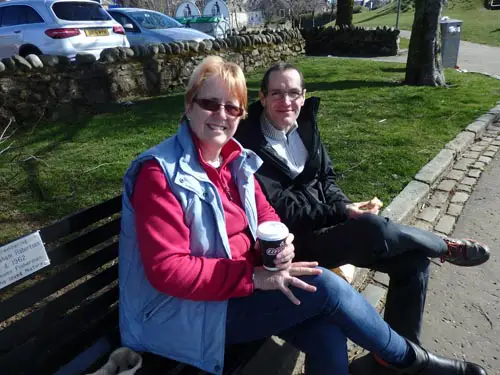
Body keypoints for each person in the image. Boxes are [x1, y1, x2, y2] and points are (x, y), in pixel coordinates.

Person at [118, 56, 487, 375]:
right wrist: (254, 275)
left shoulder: (232, 160)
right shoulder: (159, 174)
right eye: (210, 104)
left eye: (232, 108)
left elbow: (266, 212)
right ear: (188, 105)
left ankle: (402, 358)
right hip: (182, 313)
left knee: (327, 329)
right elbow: (168, 271)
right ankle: (411, 362)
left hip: (237, 287)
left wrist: (282, 248)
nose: (221, 116)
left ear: (241, 114)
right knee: (325, 285)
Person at [235, 62, 491, 371]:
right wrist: (343, 212)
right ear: (262, 97)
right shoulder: (249, 144)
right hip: (296, 243)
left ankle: (392, 363)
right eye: (276, 93)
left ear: (303, 96)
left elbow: (326, 179)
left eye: (293, 93)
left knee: (412, 263)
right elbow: (283, 210)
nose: (285, 102)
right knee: (372, 228)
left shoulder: (304, 124)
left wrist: (347, 208)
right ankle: (441, 245)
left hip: (330, 229)